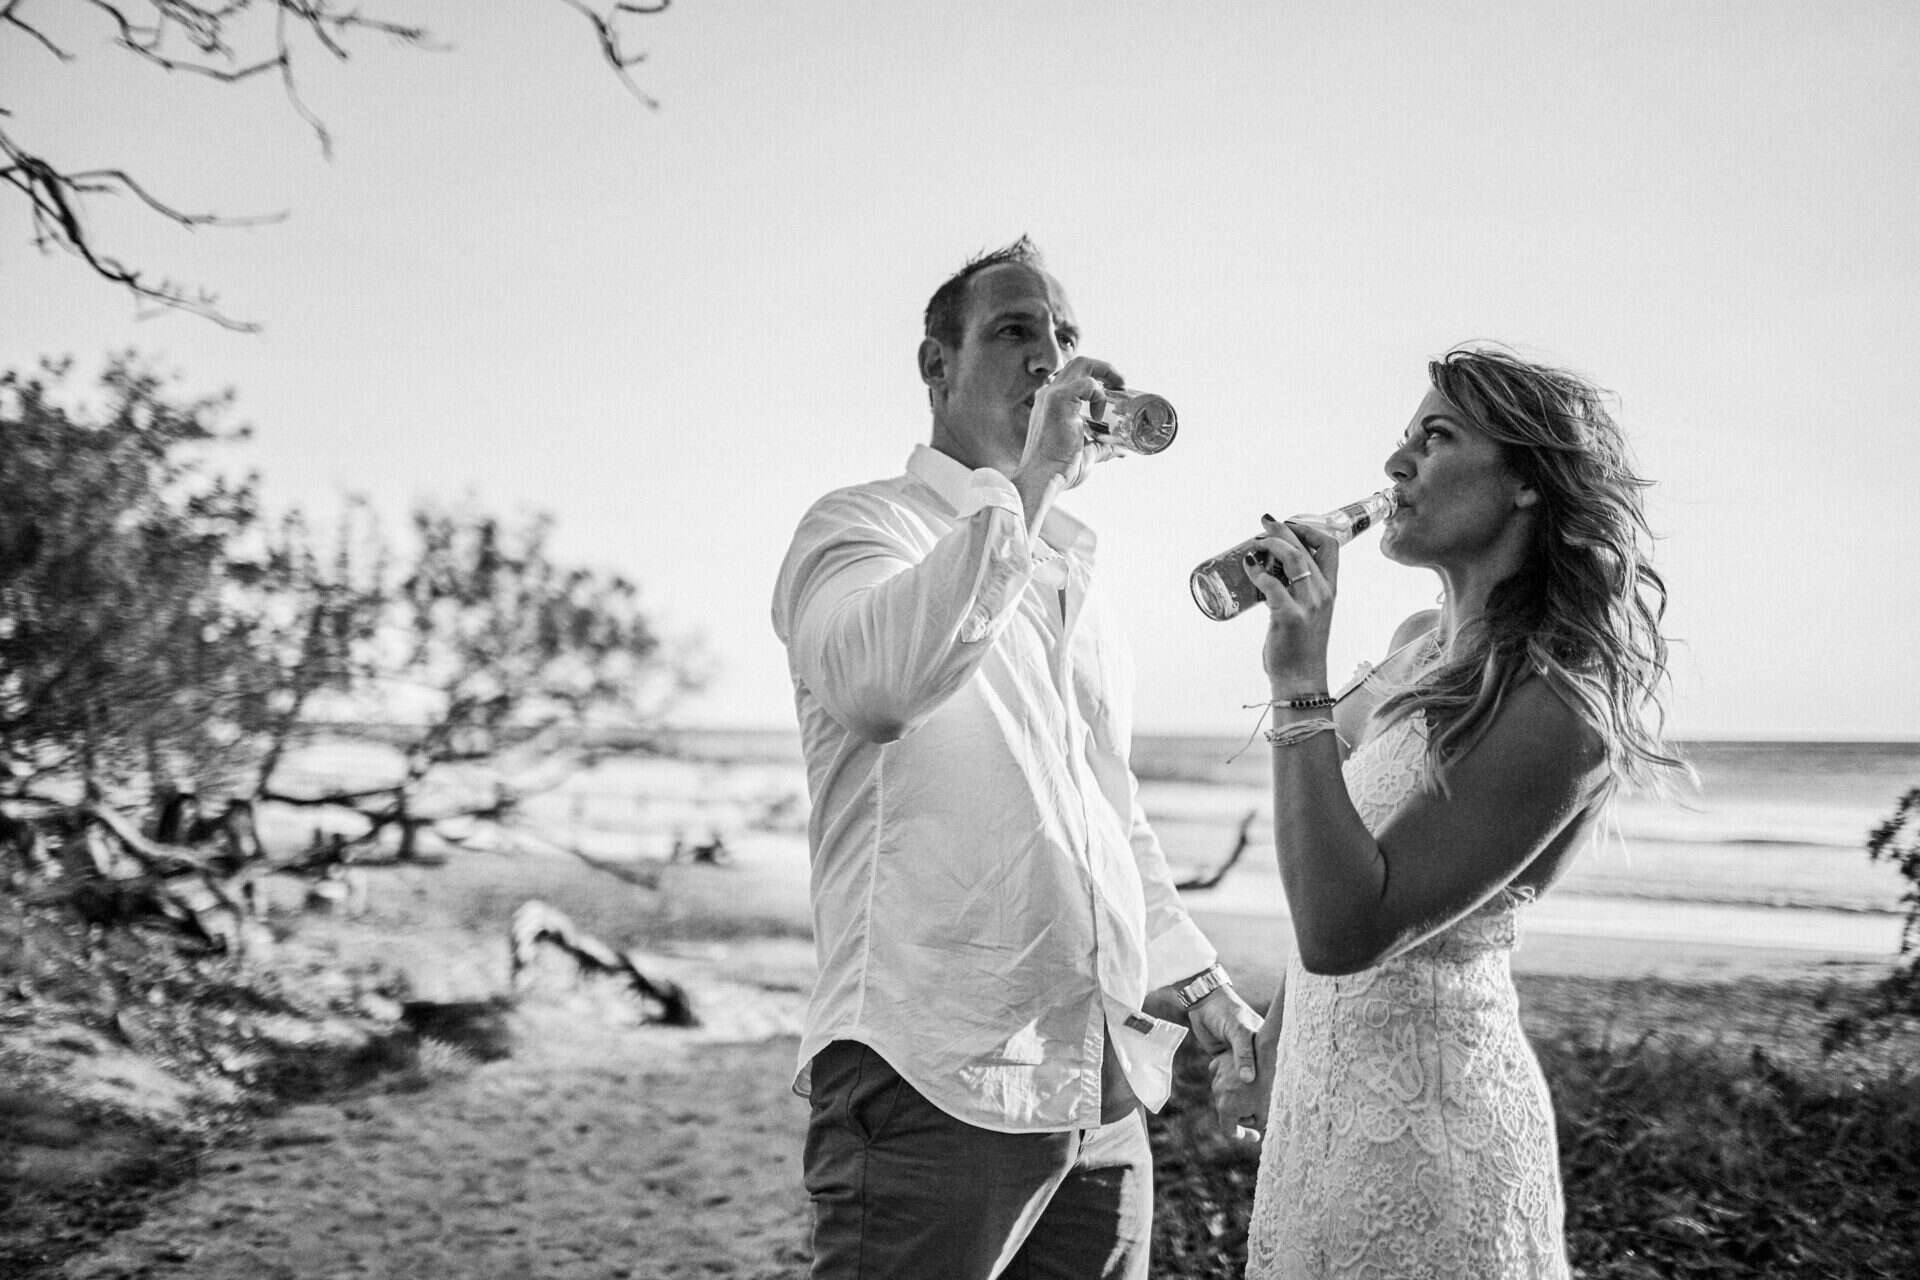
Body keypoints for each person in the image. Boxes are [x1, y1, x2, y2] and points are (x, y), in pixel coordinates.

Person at [771, 236, 1262, 1279]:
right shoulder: (859, 527)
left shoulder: (1072, 575)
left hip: (1099, 1095)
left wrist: (1201, 982)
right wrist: (1027, 483)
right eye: (1012, 331)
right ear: (936, 366)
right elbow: (878, 687)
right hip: (930, 1073)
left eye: (1064, 335)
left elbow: (1105, 812)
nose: (1050, 357)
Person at [1210, 345, 1687, 1278]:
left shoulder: (1560, 702)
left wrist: (1299, 674)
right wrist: (1276, 1038)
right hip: (1319, 1128)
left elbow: (1346, 929)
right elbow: (1332, 850)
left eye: (1435, 439)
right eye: (1405, 439)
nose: (1396, 464)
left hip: (1433, 1148)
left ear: (1526, 483)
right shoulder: (1413, 647)